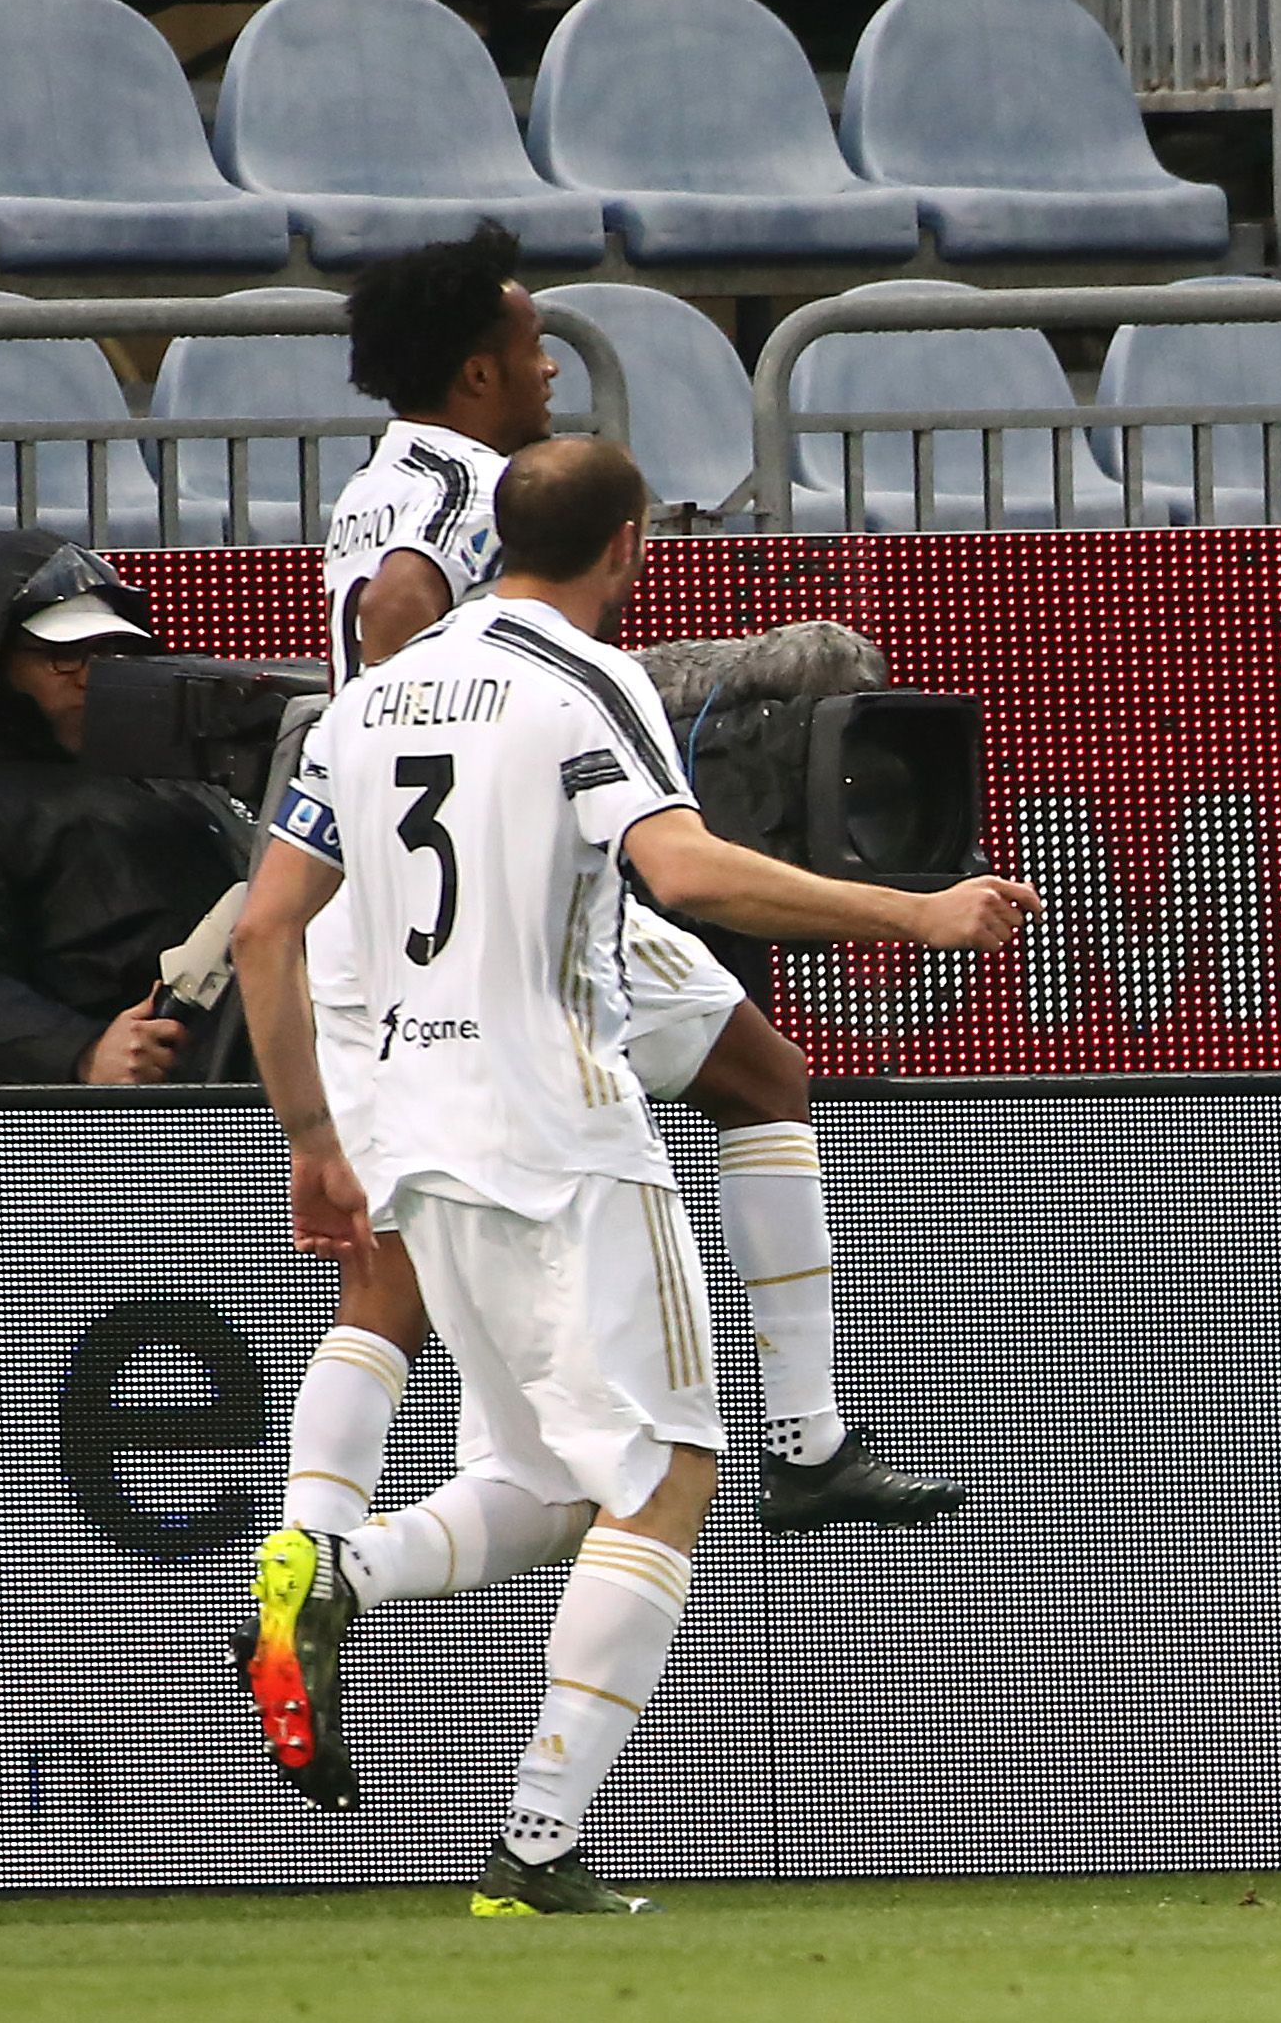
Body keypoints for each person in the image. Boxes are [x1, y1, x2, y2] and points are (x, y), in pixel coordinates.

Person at [232, 436, 1043, 1912]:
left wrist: (307, 1135)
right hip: (559, 1129)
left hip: (412, 1133)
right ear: (625, 547)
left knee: (546, 1482)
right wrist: (912, 911)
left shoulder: (372, 699)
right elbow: (684, 872)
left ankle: (333, 1565)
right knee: (670, 1470)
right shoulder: (578, 680)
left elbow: (265, 928)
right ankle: (536, 1841)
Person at [285, 222, 959, 1551]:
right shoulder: (471, 490)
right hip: (489, 898)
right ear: (479, 372)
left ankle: (806, 1440)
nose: (551, 370)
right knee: (407, 1281)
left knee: (753, 1075)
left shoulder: (385, 475)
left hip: (412, 904)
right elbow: (398, 628)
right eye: (533, 349)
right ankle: (794, 1439)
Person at [0, 533, 249, 1086]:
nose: (91, 674)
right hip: (77, 1140)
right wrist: (82, 1053)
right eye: (63, 656)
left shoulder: (174, 773)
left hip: (242, 1098)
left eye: (108, 653)